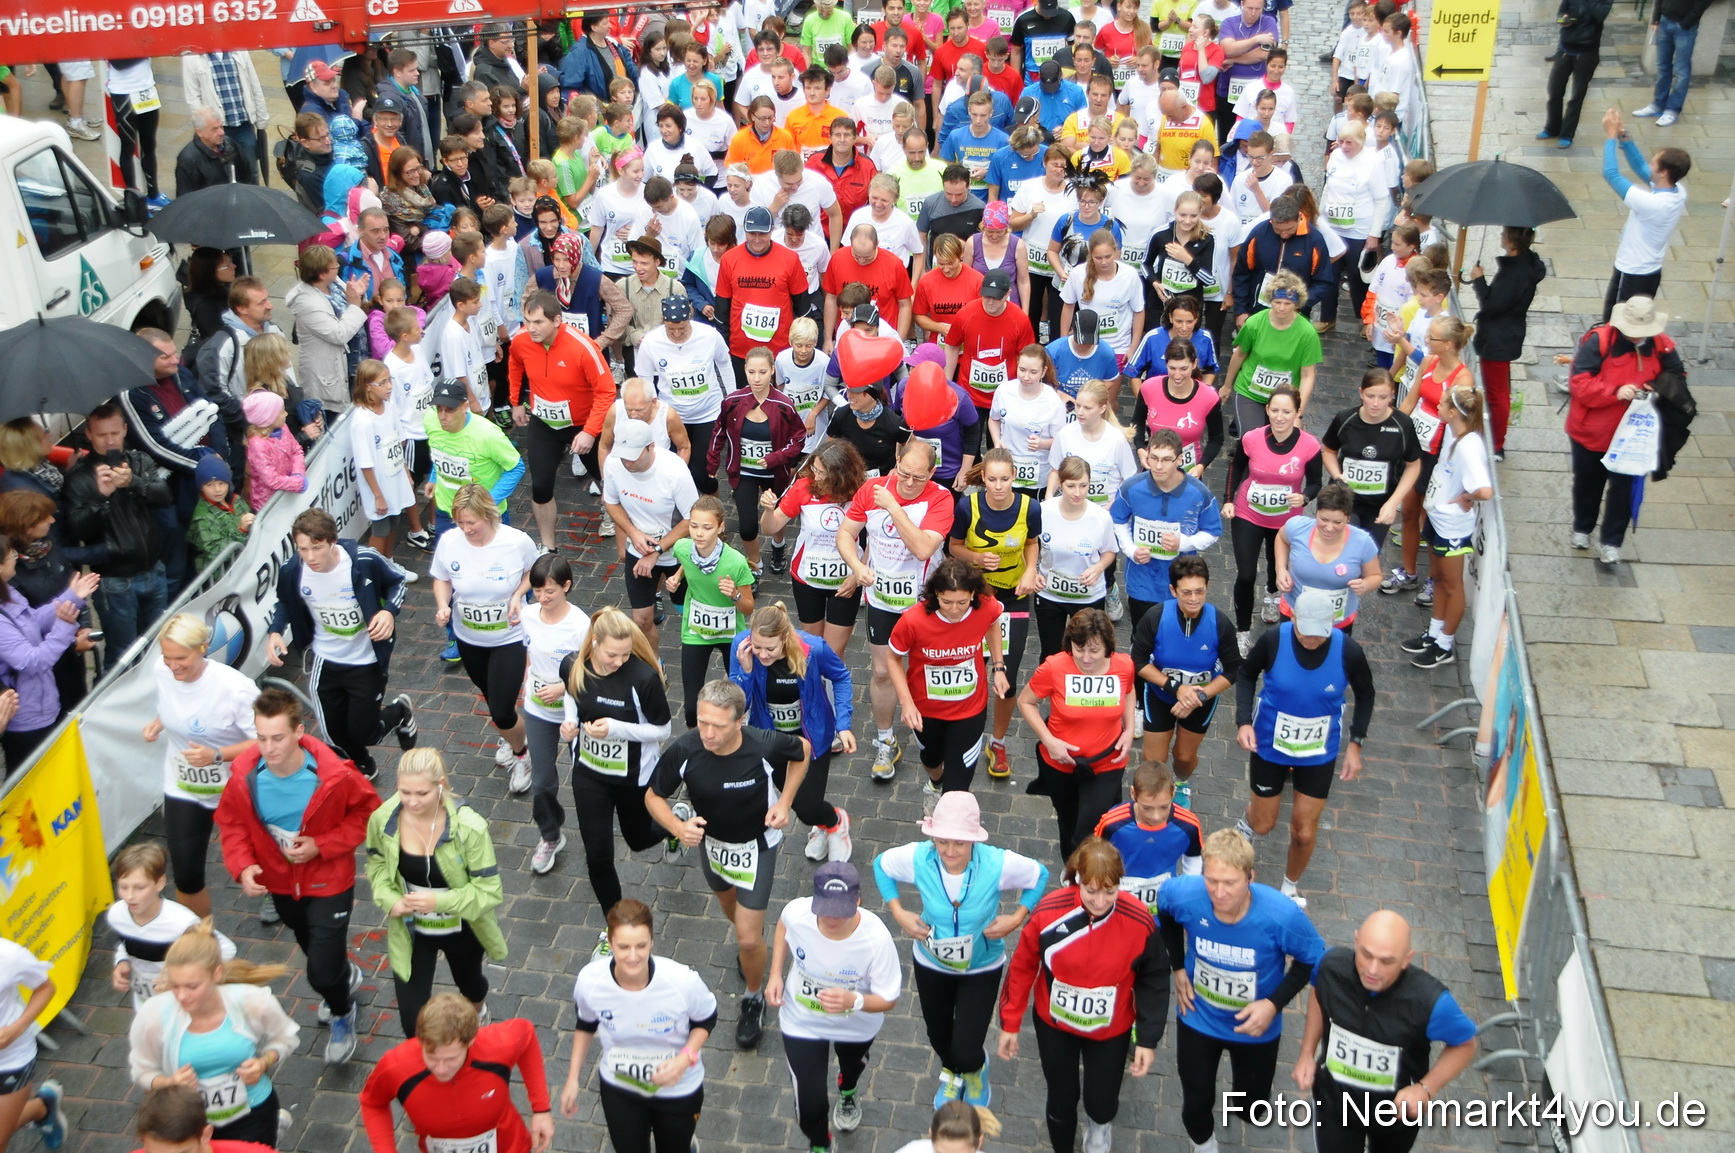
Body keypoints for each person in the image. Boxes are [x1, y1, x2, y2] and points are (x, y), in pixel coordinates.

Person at [215, 688, 378, 1062]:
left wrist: (322, 844)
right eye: (260, 738)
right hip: (281, 884)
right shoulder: (245, 775)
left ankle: (342, 1012)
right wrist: (243, 865)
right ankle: (341, 976)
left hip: (329, 880)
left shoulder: (333, 774)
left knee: (320, 973)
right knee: (314, 949)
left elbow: (369, 815)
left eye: (277, 738)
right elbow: (232, 823)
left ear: (299, 732)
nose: (268, 748)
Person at [645, 679, 810, 1049]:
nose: (708, 732)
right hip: (714, 846)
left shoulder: (764, 744)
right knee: (729, 908)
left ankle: (753, 997)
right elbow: (654, 796)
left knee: (748, 936)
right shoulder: (687, 749)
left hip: (758, 847)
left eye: (718, 725)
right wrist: (677, 826)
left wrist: (784, 803)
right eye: (702, 722)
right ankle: (749, 954)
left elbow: (803, 750)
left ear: (740, 721)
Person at [1156, 827, 1327, 1153]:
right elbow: (1165, 912)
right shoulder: (1183, 893)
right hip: (1198, 1018)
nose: (1219, 892)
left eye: (1230, 883)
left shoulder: (1281, 915)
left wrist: (1273, 1004)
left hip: (1255, 1030)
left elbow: (1312, 960)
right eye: (1212, 880)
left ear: (1250, 877)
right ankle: (1205, 1146)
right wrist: (1177, 967)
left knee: (1252, 1108)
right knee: (1194, 1104)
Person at [874, 791, 1047, 1108]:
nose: (949, 851)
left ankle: (974, 1069)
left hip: (981, 967)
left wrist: (1018, 917)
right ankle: (953, 1073)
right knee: (938, 1036)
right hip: (931, 963)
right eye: (942, 842)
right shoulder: (918, 858)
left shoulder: (997, 864)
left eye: (959, 843)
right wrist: (898, 912)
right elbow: (880, 865)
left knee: (968, 1046)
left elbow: (1039, 875)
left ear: (973, 841)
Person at [997, 837, 1166, 1153]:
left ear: (1120, 884)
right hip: (1054, 1026)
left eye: (1110, 891)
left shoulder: (1139, 919)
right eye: (1091, 891)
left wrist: (1147, 1038)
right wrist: (1010, 1023)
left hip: (1110, 1030)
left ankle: (1100, 1127)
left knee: (1101, 1102)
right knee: (1061, 1098)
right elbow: (1022, 966)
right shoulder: (1048, 914)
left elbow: (1155, 978)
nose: (1100, 901)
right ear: (1077, 881)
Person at [1233, 588, 1375, 906]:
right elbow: (1245, 674)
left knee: (1304, 831)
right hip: (1270, 745)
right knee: (1264, 823)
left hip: (1317, 752)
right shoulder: (1273, 640)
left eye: (1319, 634)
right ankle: (1247, 822)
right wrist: (1243, 721)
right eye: (1305, 632)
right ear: (1293, 618)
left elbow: (1366, 694)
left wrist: (1355, 744)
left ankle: (1289, 886)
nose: (1311, 639)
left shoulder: (1348, 651)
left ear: (1333, 624)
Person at [1295, 910, 1479, 1153]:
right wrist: (1307, 1053)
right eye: (1366, 955)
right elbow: (1319, 995)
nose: (1372, 969)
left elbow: (1465, 1044)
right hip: (1335, 1104)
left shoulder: (1430, 1001)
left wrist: (1425, 1088)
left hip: (1395, 1114)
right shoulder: (1330, 966)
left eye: (1387, 961)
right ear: (1356, 941)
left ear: (1406, 959)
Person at [263, 508, 416, 782]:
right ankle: (364, 764)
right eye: (303, 549)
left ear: (332, 541)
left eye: (317, 548)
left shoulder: (364, 560)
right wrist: (275, 631)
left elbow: (398, 581)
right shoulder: (292, 571)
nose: (310, 557)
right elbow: (285, 603)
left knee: (365, 731)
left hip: (366, 659)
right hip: (325, 659)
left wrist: (388, 611)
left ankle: (400, 712)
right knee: (332, 731)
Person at [363, 747, 505, 1035]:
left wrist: (439, 900)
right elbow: (376, 864)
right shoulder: (383, 819)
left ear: (440, 786)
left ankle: (479, 1010)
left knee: (471, 984)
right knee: (411, 1023)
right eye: (405, 792)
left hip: (463, 926)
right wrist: (390, 900)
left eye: (422, 794)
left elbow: (489, 890)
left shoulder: (469, 828)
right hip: (413, 930)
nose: (412, 802)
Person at [837, 441, 956, 781]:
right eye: (903, 473)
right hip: (883, 601)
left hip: (925, 605)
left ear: (932, 474)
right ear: (896, 460)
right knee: (881, 672)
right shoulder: (871, 489)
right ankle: (885, 740)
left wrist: (892, 507)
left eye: (918, 478)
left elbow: (921, 548)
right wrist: (855, 566)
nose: (907, 483)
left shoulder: (939, 498)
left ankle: (935, 734)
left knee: (930, 669)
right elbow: (846, 533)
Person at [557, 900, 716, 1153]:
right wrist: (572, 1079)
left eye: (641, 946)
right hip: (621, 1086)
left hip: (678, 1089)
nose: (633, 956)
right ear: (609, 943)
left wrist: (684, 1059)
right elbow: (585, 1024)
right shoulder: (590, 981)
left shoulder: (682, 981)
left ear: (652, 941)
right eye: (623, 947)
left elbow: (706, 1019)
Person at [767, 862, 903, 1152]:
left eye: (840, 910)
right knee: (810, 1104)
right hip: (801, 1020)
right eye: (824, 908)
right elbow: (783, 925)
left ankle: (848, 1089)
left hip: (855, 1026)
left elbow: (889, 999)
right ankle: (820, 1144)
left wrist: (854, 1001)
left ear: (858, 902)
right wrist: (775, 973)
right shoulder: (798, 912)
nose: (830, 918)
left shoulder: (876, 939)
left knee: (851, 1066)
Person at [555, 606, 673, 931]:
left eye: (625, 654)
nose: (619, 662)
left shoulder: (642, 678)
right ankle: (616, 927)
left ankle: (675, 823)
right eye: (612, 654)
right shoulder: (573, 665)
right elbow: (571, 694)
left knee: (638, 840)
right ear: (594, 642)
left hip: (633, 777)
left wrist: (615, 729)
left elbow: (663, 731)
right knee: (598, 857)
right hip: (590, 774)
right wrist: (569, 723)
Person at [126, 921, 296, 1145]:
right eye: (175, 986)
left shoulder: (252, 1000)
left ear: (216, 974)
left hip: (253, 1112)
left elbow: (285, 1038)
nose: (182, 996)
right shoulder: (154, 1014)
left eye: (192, 986)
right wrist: (169, 1082)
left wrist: (264, 1062)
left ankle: (271, 1128)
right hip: (190, 1122)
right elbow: (142, 1071)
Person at [142, 615, 261, 920]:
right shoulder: (163, 671)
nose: (173, 666)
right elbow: (173, 705)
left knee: (266, 856)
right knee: (186, 873)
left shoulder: (236, 688)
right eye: (167, 658)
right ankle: (201, 942)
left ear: (204, 648)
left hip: (237, 790)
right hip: (185, 787)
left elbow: (269, 741)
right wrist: (160, 723)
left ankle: (280, 890)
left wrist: (218, 754)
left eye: (181, 658)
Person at [730, 603, 856, 862]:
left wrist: (843, 725)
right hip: (771, 739)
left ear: (785, 638)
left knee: (807, 808)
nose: (762, 654)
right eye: (758, 646)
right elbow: (738, 703)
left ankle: (834, 822)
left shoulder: (813, 650)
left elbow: (841, 677)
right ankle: (822, 827)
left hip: (813, 737)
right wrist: (746, 671)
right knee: (794, 802)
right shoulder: (741, 646)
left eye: (770, 649)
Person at [432, 484, 540, 774]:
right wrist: (443, 604)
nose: (466, 529)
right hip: (469, 638)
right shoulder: (450, 541)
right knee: (493, 699)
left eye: (472, 522)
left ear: (489, 515)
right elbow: (441, 577)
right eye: (460, 522)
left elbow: (536, 571)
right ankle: (513, 735)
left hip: (510, 637)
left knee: (502, 711)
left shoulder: (516, 542)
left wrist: (518, 595)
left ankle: (522, 755)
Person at [363, 994, 554, 1153]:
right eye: (431, 1057)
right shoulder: (396, 1066)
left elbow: (527, 1035)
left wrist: (541, 1109)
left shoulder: (497, 1045)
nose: (441, 1069)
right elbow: (372, 1103)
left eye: (451, 1059)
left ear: (471, 1041)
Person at [1017, 607, 1136, 861]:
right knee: (1068, 822)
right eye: (1078, 648)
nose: (1085, 658)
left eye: (1094, 650)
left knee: (1090, 827)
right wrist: (1049, 742)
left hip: (1107, 761)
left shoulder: (1123, 665)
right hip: (1060, 763)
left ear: (1108, 647)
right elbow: (1026, 701)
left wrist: (1129, 728)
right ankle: (1072, 873)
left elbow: (1127, 690)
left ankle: (1093, 872)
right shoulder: (1054, 667)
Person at [888, 557, 1009, 796]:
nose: (954, 609)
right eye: (947, 602)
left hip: (970, 708)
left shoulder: (986, 605)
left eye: (962, 602)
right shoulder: (913, 620)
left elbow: (993, 624)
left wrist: (998, 666)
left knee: (957, 792)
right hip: (926, 710)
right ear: (935, 595)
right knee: (931, 761)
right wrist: (907, 704)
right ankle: (936, 781)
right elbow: (892, 659)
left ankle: (949, 814)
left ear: (973, 594)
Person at [510, 290, 617, 553]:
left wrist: (590, 432)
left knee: (607, 478)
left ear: (557, 320)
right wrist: (515, 402)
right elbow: (514, 364)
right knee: (541, 486)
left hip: (583, 423)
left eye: (538, 323)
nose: (531, 329)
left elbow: (607, 391)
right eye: (527, 321)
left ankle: (612, 512)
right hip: (544, 423)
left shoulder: (583, 347)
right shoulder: (521, 342)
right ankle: (549, 546)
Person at [62, 403, 173, 659]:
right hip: (115, 580)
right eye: (102, 435)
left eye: (114, 433)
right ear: (89, 435)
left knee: (160, 646)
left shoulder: (140, 460)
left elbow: (165, 497)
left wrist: (134, 482)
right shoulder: (79, 476)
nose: (110, 441)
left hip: (154, 569)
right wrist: (103, 499)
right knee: (123, 653)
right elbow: (79, 528)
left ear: (124, 429)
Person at [1222, 382, 1321, 652]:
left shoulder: (1309, 445)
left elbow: (1315, 482)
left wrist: (1305, 497)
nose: (1279, 417)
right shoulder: (1252, 438)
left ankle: (1272, 594)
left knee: (1276, 569)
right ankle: (1243, 631)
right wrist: (1228, 500)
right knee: (1245, 574)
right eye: (1274, 410)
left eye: (1286, 412)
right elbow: (1236, 468)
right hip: (1249, 513)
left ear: (1297, 413)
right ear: (1267, 410)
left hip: (1286, 521)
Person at [1402, 384, 1493, 669]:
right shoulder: (1455, 435)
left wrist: (1466, 496)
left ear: (1453, 412)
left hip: (1452, 526)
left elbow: (1485, 490)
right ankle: (1434, 633)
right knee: (1439, 578)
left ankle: (1445, 645)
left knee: (1452, 586)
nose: (1437, 406)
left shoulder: (1468, 446)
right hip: (1437, 518)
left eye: (1441, 404)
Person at [1110, 427, 1223, 627]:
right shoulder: (1132, 487)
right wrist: (1131, 550)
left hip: (1181, 582)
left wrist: (1184, 542)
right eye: (1154, 458)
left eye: (1166, 459)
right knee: (1141, 637)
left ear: (1180, 460)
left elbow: (1212, 531)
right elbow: (1118, 520)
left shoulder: (1198, 493)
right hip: (1141, 581)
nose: (1158, 466)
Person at [107, 842, 238, 1011]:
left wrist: (181, 979)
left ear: (160, 883)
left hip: (183, 1006)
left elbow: (226, 949)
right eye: (123, 887)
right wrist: (122, 961)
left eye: (139, 887)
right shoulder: (117, 914)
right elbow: (127, 941)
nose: (130, 896)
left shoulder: (181, 922)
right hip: (146, 1004)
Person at [709, 349, 805, 573]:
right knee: (747, 527)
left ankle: (778, 545)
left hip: (775, 474)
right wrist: (712, 463)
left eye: (763, 372)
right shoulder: (733, 401)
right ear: (745, 371)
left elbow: (799, 438)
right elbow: (719, 432)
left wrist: (775, 458)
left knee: (776, 518)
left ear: (772, 371)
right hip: (744, 474)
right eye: (751, 372)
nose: (757, 378)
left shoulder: (784, 405)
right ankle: (756, 565)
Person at [0, 545, 95, 766]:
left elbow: (32, 621)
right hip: (25, 717)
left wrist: (72, 597)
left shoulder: (7, 592)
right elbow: (33, 662)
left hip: (42, 704)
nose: (17, 557)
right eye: (11, 555)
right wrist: (64, 626)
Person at [1599, 109, 1690, 319]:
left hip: (1632, 272)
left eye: (1654, 162)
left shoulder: (1652, 203)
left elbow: (1610, 174)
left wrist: (1610, 137)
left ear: (1664, 172)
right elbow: (1640, 166)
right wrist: (1624, 137)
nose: (1650, 164)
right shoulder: (1678, 192)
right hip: (1649, 270)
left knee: (1614, 323)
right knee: (1634, 326)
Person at [638, 296, 733, 496]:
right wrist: (653, 411)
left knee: (703, 474)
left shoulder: (709, 335)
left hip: (708, 413)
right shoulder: (651, 342)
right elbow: (645, 377)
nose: (677, 333)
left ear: (690, 317)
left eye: (682, 328)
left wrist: (731, 398)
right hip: (672, 415)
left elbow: (724, 363)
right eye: (671, 329)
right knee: (674, 470)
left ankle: (713, 512)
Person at [1321, 369, 1421, 553]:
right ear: (1361, 393)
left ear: (1392, 396)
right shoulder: (1345, 418)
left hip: (1380, 505)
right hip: (1345, 501)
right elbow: (1328, 451)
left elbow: (1413, 465)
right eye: (1370, 396)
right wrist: (1337, 476)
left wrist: (1393, 503)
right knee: (1343, 552)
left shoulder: (1402, 425)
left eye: (1383, 397)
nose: (1376, 403)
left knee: (1368, 556)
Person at [1469, 229, 1547, 460]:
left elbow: (1493, 305)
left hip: (1498, 338)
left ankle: (1496, 444)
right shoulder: (1524, 264)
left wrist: (1478, 280)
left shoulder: (1515, 272)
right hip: (1505, 334)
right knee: (1499, 389)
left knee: (1497, 394)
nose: (1501, 235)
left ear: (1512, 242)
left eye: (1504, 233)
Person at [1034, 456, 1119, 660]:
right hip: (1049, 593)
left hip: (1088, 595)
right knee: (1050, 654)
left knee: (1087, 653)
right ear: (1060, 483)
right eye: (1071, 486)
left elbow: (1110, 551)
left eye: (1083, 485)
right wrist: (1033, 571)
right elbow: (1030, 544)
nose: (1078, 493)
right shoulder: (1043, 512)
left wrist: (1098, 568)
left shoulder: (1101, 517)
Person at [1092, 763, 1203, 915]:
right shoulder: (1112, 823)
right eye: (1147, 808)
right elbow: (1093, 858)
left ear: (1174, 792)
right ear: (1133, 794)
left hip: (1162, 906)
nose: (1156, 816)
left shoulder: (1188, 825)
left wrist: (1189, 902)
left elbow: (1193, 864)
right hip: (1119, 903)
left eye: (1164, 807)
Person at [1275, 482, 1382, 635]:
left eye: (1337, 522)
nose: (1329, 528)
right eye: (1324, 519)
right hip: (1294, 613)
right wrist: (1280, 569)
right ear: (1316, 512)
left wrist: (1365, 585)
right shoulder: (1297, 527)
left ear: (1348, 518)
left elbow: (1375, 576)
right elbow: (1281, 538)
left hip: (1337, 622)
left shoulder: (1362, 542)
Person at [1633, 0, 1717, 128]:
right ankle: (1658, 104)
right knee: (1662, 66)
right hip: (1665, 21)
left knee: (1681, 70)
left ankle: (1673, 109)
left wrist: (1686, 23)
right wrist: (1656, 19)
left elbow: (1702, 4)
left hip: (1684, 27)